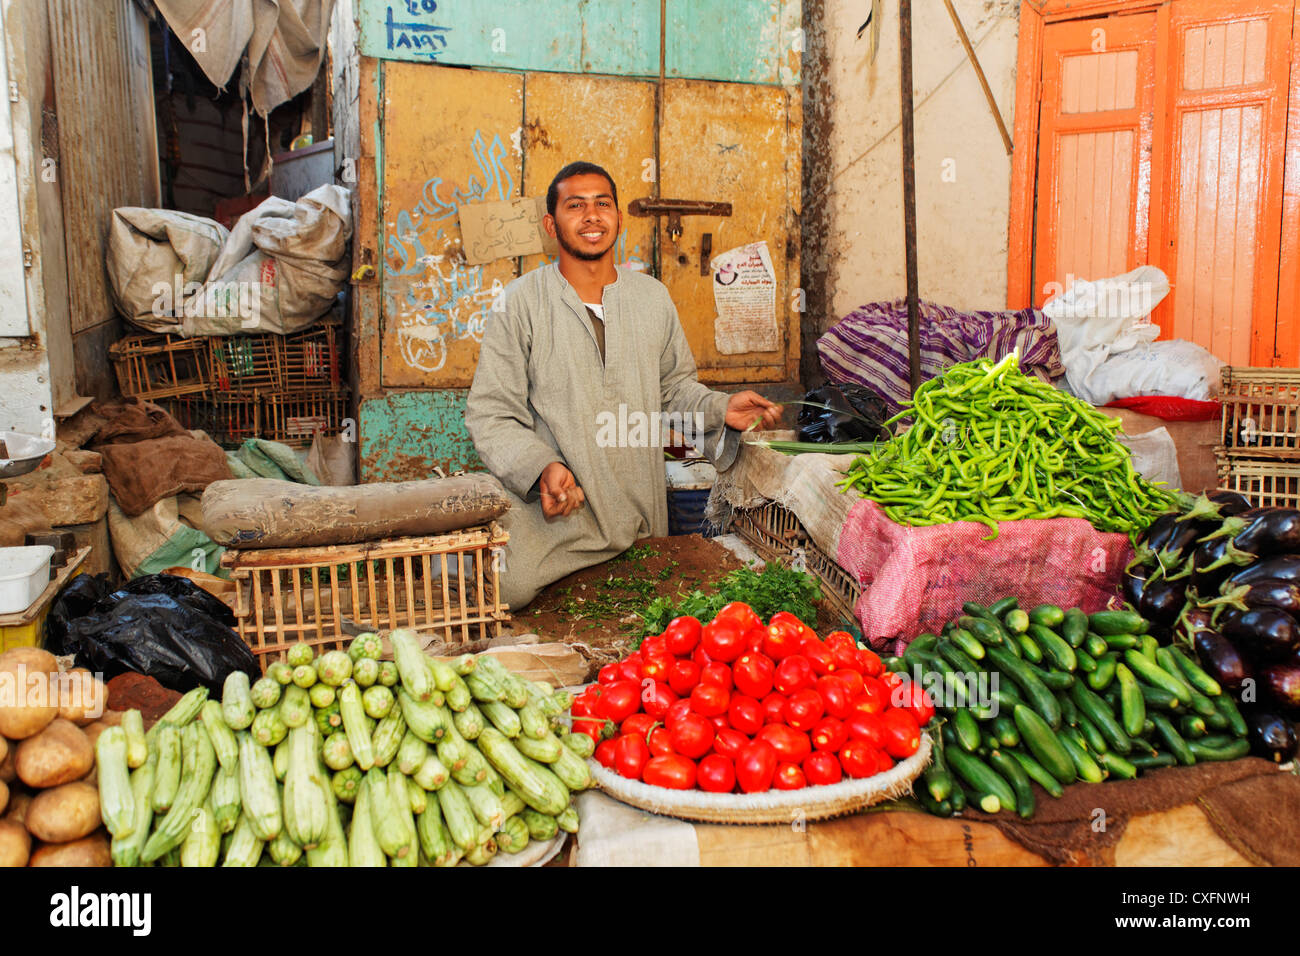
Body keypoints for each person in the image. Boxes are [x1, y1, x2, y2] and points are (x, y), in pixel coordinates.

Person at [465, 160, 783, 610]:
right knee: (504, 588)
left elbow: (673, 389)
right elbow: (490, 412)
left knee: (648, 599)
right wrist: (541, 468)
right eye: (575, 205)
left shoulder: (651, 297)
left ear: (617, 217)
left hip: (637, 511)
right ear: (551, 225)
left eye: (603, 204)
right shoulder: (519, 303)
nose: (592, 216)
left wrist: (719, 408)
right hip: (560, 512)